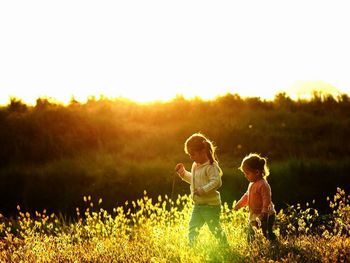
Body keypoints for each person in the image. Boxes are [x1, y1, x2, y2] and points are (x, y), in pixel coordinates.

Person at [175, 132, 228, 247]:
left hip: (211, 205)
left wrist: (203, 190)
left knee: (215, 229)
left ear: (203, 151)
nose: (190, 157)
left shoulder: (211, 166)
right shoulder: (195, 165)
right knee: (193, 228)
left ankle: (225, 245)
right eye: (189, 154)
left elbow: (216, 182)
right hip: (198, 205)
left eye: (192, 154)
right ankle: (192, 248)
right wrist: (183, 174)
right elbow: (194, 180)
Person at [234, 153, 277, 242]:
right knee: (250, 233)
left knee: (266, 233)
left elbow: (267, 200)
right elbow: (247, 196)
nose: (245, 176)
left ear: (257, 172)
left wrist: (264, 212)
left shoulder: (263, 185)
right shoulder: (251, 184)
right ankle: (251, 246)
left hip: (266, 215)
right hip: (255, 214)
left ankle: (274, 244)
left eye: (247, 173)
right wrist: (239, 204)